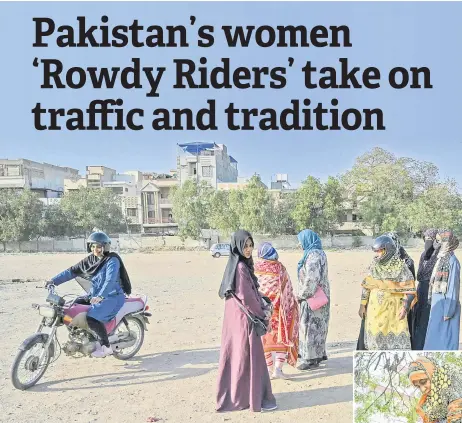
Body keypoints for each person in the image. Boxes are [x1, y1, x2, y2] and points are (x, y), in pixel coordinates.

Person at [216, 230, 277, 413]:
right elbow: (247, 298)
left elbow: (249, 293)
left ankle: (240, 396)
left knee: (239, 357)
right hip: (245, 320)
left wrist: (262, 300)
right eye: (245, 246)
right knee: (250, 357)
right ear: (238, 246)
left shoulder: (238, 265)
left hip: (236, 319)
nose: (249, 249)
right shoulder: (241, 268)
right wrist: (264, 311)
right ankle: (252, 397)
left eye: (251, 245)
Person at [47, 231, 131, 358]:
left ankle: (106, 347)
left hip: (112, 296)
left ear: (105, 247)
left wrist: (101, 296)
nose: (95, 249)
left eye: (98, 246)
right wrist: (53, 281)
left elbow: (110, 280)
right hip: (95, 295)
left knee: (92, 317)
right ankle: (84, 336)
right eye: (92, 246)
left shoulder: (112, 260)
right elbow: (71, 271)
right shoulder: (90, 260)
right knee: (72, 307)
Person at [358, 234, 416, 350]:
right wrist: (362, 305)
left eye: (379, 251)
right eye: (376, 251)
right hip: (375, 311)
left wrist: (405, 308)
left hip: (394, 311)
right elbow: (366, 286)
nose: (377, 254)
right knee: (375, 341)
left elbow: (410, 290)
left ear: (388, 250)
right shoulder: (374, 266)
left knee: (395, 342)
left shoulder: (401, 267)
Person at [254, 242, 299, 380]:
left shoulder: (255, 268)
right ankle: (278, 369)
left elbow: (253, 289)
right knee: (282, 338)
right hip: (280, 311)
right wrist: (291, 305)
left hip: (263, 311)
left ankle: (269, 369)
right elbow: (288, 288)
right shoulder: (280, 268)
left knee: (264, 340)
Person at [297, 229, 330, 371]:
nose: (299, 244)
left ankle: (310, 359)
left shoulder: (313, 255)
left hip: (313, 298)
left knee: (309, 327)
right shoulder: (319, 253)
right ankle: (317, 355)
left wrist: (302, 295)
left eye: (300, 241)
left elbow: (312, 279)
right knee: (319, 328)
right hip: (322, 297)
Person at [424, 229, 461, 350]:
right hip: (437, 302)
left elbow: (453, 287)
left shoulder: (452, 261)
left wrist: (448, 311)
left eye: (441, 241)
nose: (438, 244)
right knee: (433, 337)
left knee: (445, 339)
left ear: (447, 242)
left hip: (446, 304)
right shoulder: (441, 259)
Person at [408, 357, 462, 423]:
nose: (422, 389)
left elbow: (456, 415)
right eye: (418, 386)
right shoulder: (427, 403)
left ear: (433, 374)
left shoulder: (451, 378)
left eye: (423, 381)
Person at [412, 228, 441, 350]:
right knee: (418, 317)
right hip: (421, 289)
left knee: (426, 318)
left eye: (430, 239)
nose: (428, 241)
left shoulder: (439, 254)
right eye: (426, 239)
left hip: (431, 290)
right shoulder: (424, 254)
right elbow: (418, 275)